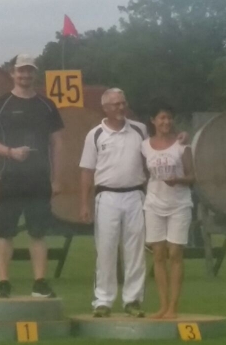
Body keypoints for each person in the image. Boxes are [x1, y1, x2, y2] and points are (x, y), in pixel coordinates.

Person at [0, 53, 63, 299]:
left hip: (39, 179)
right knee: (4, 231)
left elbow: (57, 143)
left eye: (29, 70)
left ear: (35, 73)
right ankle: (3, 283)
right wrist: (9, 152)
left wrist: (57, 178)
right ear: (12, 73)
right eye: (21, 70)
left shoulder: (46, 105)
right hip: (8, 178)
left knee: (38, 232)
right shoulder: (0, 104)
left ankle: (39, 282)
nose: (25, 75)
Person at [79, 88, 147, 318]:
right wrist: (84, 203)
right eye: (116, 104)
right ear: (105, 108)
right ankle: (103, 300)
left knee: (135, 250)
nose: (121, 107)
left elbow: (152, 157)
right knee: (106, 249)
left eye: (123, 103)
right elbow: (87, 170)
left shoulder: (139, 130)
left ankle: (133, 300)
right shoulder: (95, 134)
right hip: (106, 196)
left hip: (135, 194)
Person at [141, 101, 194, 319]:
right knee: (159, 254)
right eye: (162, 118)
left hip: (179, 204)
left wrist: (177, 180)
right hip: (153, 204)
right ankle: (162, 305)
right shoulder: (144, 146)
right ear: (153, 120)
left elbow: (192, 176)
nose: (166, 122)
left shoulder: (182, 145)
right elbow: (145, 174)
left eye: (169, 118)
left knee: (175, 253)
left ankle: (173, 306)